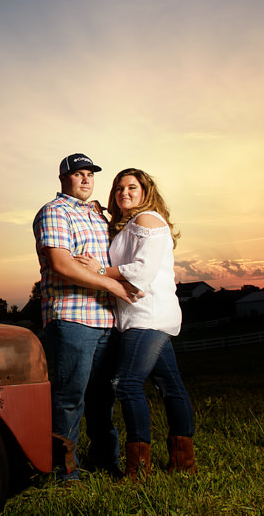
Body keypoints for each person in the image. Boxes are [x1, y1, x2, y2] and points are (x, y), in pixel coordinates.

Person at [76, 167, 196, 479]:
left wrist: (101, 270)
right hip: (136, 315)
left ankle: (138, 468)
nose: (124, 193)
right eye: (119, 188)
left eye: (132, 187)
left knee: (126, 384)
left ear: (145, 192)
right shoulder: (130, 224)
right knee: (170, 386)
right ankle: (183, 463)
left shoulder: (148, 220)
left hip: (148, 314)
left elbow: (141, 273)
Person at [33, 153, 140, 481]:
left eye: (90, 174)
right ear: (64, 179)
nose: (85, 180)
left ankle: (107, 462)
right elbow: (62, 265)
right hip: (71, 317)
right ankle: (63, 472)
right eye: (78, 174)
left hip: (106, 320)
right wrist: (112, 284)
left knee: (102, 398)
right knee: (69, 397)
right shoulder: (54, 212)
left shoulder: (98, 215)